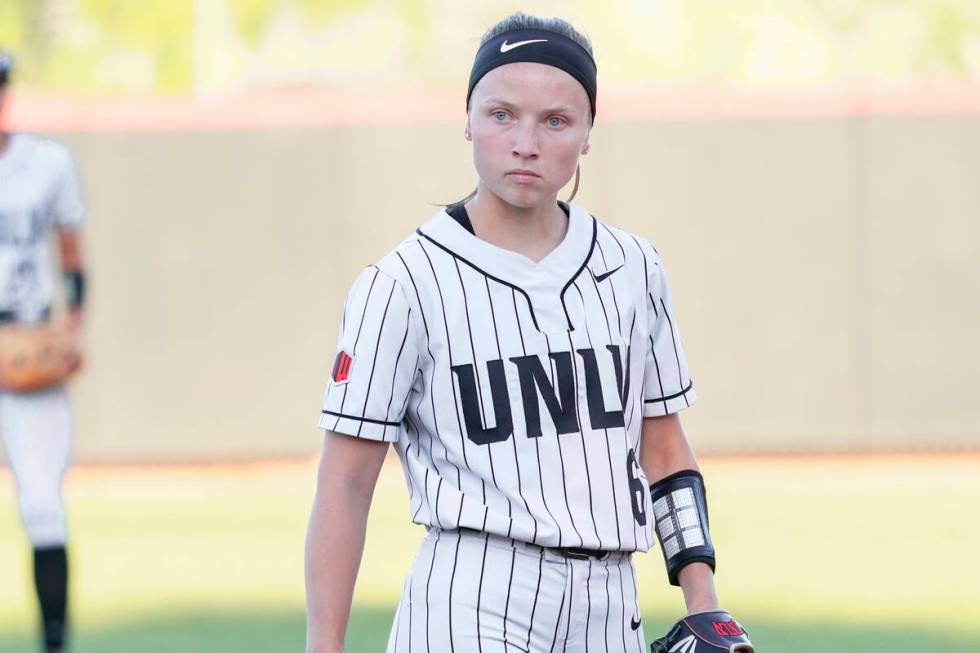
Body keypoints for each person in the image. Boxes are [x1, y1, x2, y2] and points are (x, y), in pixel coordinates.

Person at [306, 13, 751, 653]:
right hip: (473, 591)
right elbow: (345, 483)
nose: (525, 142)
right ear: (467, 119)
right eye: (501, 114)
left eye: (556, 121)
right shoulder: (401, 284)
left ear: (588, 135)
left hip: (610, 600)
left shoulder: (632, 268)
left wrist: (704, 601)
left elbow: (664, 449)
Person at [0, 51, 87, 653]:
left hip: (27, 345)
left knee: (42, 506)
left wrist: (73, 327)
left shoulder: (47, 163)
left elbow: (73, 258)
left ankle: (54, 643)